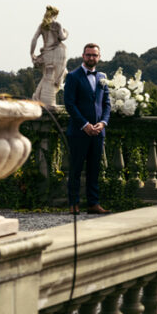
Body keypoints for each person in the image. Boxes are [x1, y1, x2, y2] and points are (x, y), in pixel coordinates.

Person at [62, 43, 111, 214]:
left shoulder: (102, 77)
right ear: (83, 56)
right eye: (89, 55)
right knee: (75, 169)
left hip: (98, 131)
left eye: (95, 55)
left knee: (94, 169)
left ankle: (93, 203)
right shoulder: (73, 76)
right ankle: (73, 203)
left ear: (99, 57)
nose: (92, 58)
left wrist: (103, 123)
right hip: (78, 131)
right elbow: (69, 104)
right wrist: (85, 125)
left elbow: (107, 104)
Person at [30, 6, 69, 107]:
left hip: (47, 53)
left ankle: (37, 97)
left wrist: (32, 53)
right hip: (57, 51)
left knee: (48, 75)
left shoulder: (42, 25)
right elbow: (62, 37)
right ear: (55, 15)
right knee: (56, 76)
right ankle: (46, 101)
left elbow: (34, 39)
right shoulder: (57, 24)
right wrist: (66, 33)